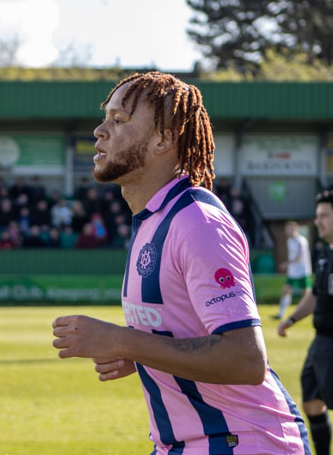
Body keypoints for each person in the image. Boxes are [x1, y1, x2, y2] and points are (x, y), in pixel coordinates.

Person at [52, 72, 309, 454]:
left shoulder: (197, 223)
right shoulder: (154, 219)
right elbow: (187, 332)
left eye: (120, 120)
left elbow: (245, 359)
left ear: (163, 139)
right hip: (186, 444)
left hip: (243, 442)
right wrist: (139, 356)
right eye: (106, 117)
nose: (100, 130)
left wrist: (123, 340)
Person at [278, 192, 333, 455]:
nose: (318, 221)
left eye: (324, 216)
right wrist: (290, 319)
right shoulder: (324, 254)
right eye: (317, 215)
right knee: (311, 401)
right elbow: (314, 295)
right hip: (321, 341)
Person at [275, 221, 313, 320]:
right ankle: (280, 314)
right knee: (286, 290)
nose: (288, 231)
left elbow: (298, 256)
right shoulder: (289, 241)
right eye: (287, 229)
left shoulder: (301, 241)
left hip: (302, 271)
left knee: (306, 294)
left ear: (296, 230)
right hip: (293, 271)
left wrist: (286, 263)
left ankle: (310, 312)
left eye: (291, 229)